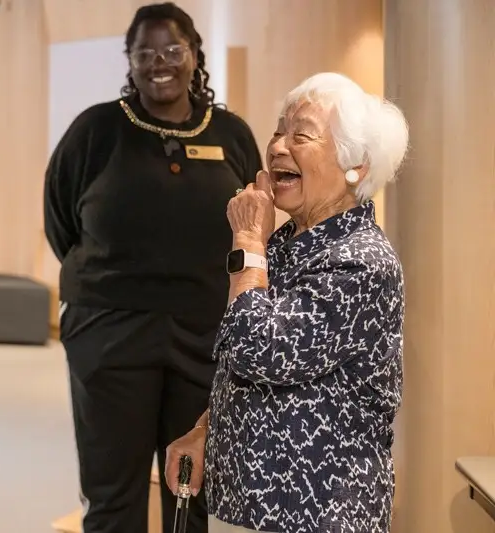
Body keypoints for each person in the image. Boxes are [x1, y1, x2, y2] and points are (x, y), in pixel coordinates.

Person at [43, 3, 262, 532]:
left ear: (194, 55)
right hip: (110, 334)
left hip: (205, 338)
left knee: (193, 489)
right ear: (130, 60)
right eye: (145, 52)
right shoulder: (96, 130)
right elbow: (60, 223)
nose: (158, 62)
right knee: (112, 490)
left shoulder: (231, 134)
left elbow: (255, 220)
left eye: (172, 49)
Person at [164, 72, 409, 533]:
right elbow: (241, 364)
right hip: (250, 503)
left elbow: (262, 351)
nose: (278, 146)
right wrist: (205, 430)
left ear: (355, 164)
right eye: (278, 130)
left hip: (316, 512)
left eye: (302, 134)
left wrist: (248, 242)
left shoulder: (360, 262)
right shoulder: (288, 243)